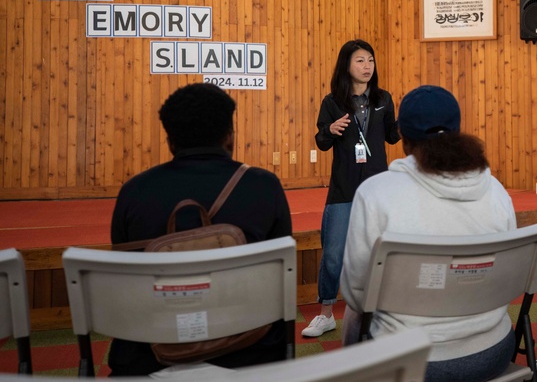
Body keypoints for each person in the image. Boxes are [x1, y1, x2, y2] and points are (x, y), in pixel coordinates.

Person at [109, 82, 292, 376]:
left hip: (149, 355)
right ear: (230, 137)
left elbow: (123, 282)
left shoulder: (134, 192)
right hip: (251, 351)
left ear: (170, 141)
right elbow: (281, 279)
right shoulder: (263, 186)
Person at [339, 85, 517, 382]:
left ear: (403, 137)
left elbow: (357, 295)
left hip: (408, 360)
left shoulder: (376, 194)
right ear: (458, 130)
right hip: (493, 350)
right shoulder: (496, 191)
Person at [305, 39, 400, 338]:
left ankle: (381, 310)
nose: (367, 66)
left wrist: (409, 121)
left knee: (380, 252)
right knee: (333, 253)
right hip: (343, 188)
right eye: (360, 60)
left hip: (377, 189)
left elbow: (393, 138)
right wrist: (329, 130)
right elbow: (321, 142)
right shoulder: (332, 101)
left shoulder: (383, 98)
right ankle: (325, 314)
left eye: (370, 60)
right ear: (346, 65)